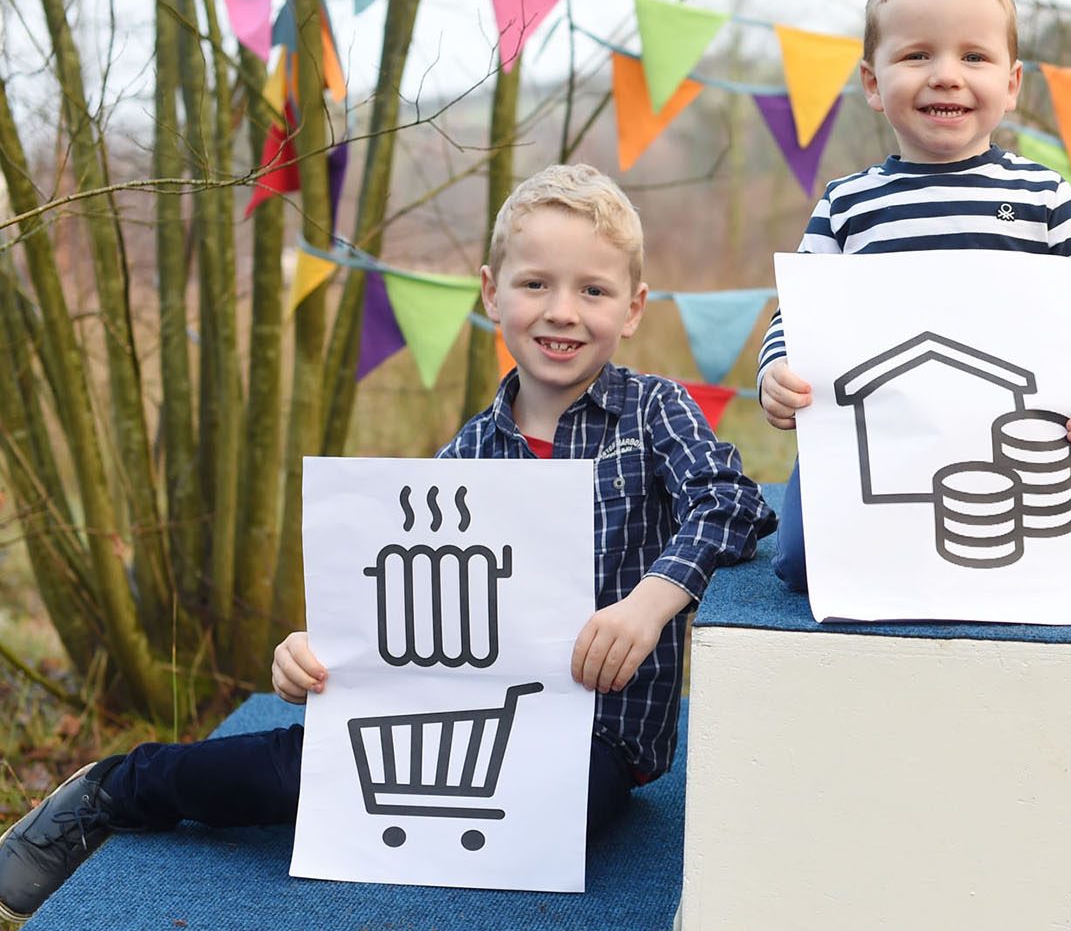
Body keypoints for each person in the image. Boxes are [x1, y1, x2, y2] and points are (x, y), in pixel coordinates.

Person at [0, 163, 774, 920]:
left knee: (553, 816)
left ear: (633, 307)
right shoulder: (464, 456)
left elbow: (735, 503)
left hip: (597, 739)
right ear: (490, 292)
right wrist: (311, 651)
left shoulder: (654, 412)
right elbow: (395, 599)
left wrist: (651, 601)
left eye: (593, 290)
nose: (561, 311)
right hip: (450, 712)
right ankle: (117, 788)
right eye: (536, 283)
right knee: (302, 769)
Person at [755, 0, 1071, 591]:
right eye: (916, 55)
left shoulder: (1046, 199)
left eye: (973, 56)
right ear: (873, 84)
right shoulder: (848, 203)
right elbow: (797, 313)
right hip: (872, 433)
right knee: (798, 565)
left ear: (1011, 84)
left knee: (1050, 544)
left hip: (1008, 437)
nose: (945, 75)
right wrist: (776, 373)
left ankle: (1067, 523)